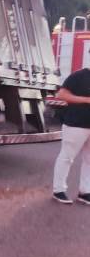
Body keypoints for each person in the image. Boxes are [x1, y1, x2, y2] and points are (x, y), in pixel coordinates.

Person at [52, 67, 90, 204]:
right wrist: (86, 100)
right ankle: (58, 190)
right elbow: (61, 95)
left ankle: (85, 192)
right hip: (76, 124)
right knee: (67, 157)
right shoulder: (79, 76)